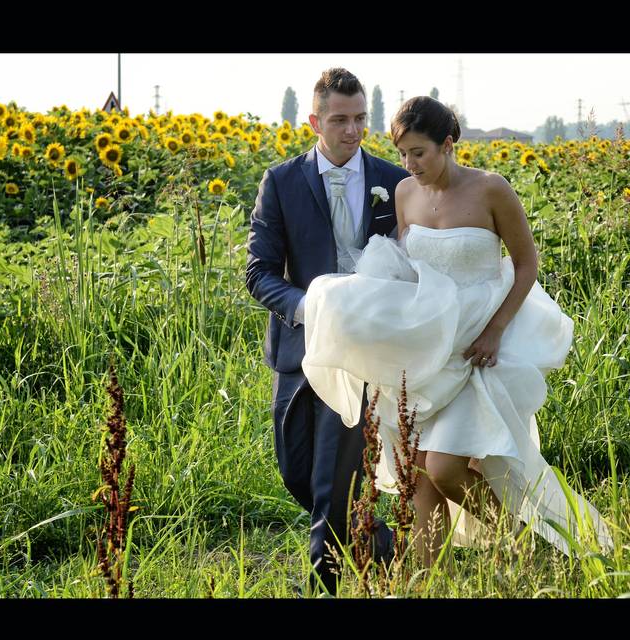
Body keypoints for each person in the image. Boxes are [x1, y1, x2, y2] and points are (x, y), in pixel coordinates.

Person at [300, 95, 613, 568]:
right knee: (419, 475)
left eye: (419, 153)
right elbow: (410, 270)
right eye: (402, 153)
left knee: (446, 466)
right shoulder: (406, 194)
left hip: (478, 345)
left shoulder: (492, 189)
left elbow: (526, 264)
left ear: (448, 144)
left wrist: (495, 330)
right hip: (430, 346)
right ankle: (431, 582)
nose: (409, 164)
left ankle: (524, 541)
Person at [246, 68, 410, 594]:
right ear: (315, 121)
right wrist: (310, 306)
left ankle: (324, 584)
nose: (353, 130)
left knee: (332, 481)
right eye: (340, 120)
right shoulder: (282, 181)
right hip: (301, 346)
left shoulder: (394, 181)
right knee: (297, 472)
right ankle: (380, 542)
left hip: (364, 352)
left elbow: (412, 263)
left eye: (361, 118)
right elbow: (259, 272)